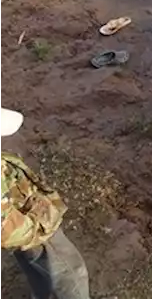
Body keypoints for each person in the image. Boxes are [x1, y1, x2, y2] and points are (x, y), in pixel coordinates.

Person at [0, 108, 91, 299]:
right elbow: (7, 230)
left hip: (22, 220)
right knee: (71, 275)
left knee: (40, 273)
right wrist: (41, 229)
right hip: (32, 232)